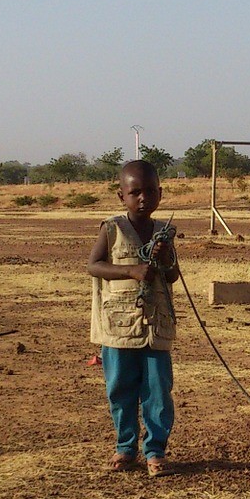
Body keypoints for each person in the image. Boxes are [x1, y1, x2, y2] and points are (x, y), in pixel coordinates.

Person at [87, 160, 181, 475]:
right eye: (135, 192)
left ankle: (155, 451)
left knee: (157, 392)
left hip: (156, 327)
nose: (143, 198)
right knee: (120, 389)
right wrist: (130, 270)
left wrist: (166, 258)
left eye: (150, 192)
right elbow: (94, 266)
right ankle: (125, 449)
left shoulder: (163, 233)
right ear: (121, 196)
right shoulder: (111, 229)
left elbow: (172, 277)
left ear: (160, 194)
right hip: (118, 327)